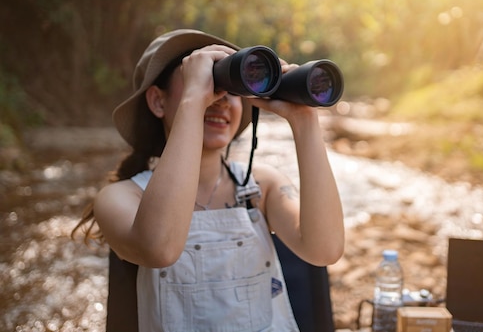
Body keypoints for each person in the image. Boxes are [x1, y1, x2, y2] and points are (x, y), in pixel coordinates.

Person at [72, 29, 345, 331]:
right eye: (210, 84)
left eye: (231, 88)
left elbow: (325, 250)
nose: (222, 101)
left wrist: (304, 120)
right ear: (158, 101)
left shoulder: (261, 186)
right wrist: (194, 101)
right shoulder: (120, 198)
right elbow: (159, 248)